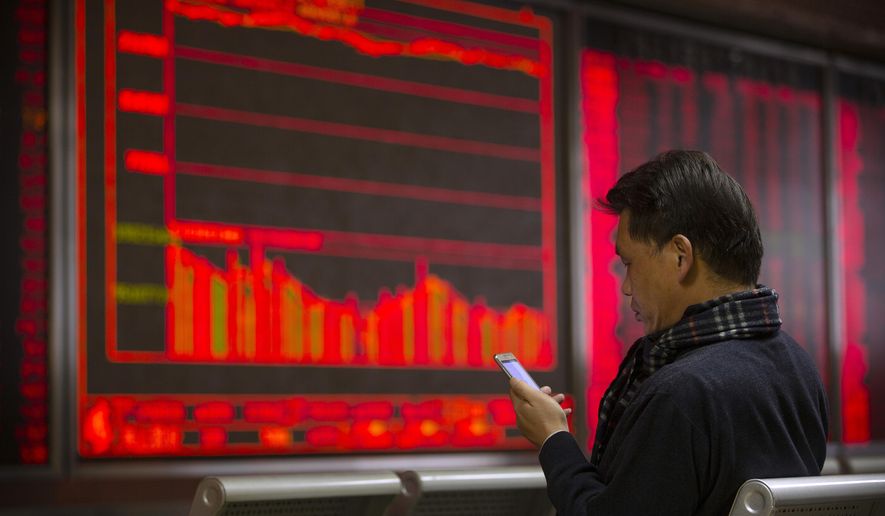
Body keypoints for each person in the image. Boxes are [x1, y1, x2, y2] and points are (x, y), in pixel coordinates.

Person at [509, 150, 828, 515]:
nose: (627, 287)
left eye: (629, 263)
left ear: (680, 256)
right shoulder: (800, 370)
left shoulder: (681, 395)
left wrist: (553, 439)